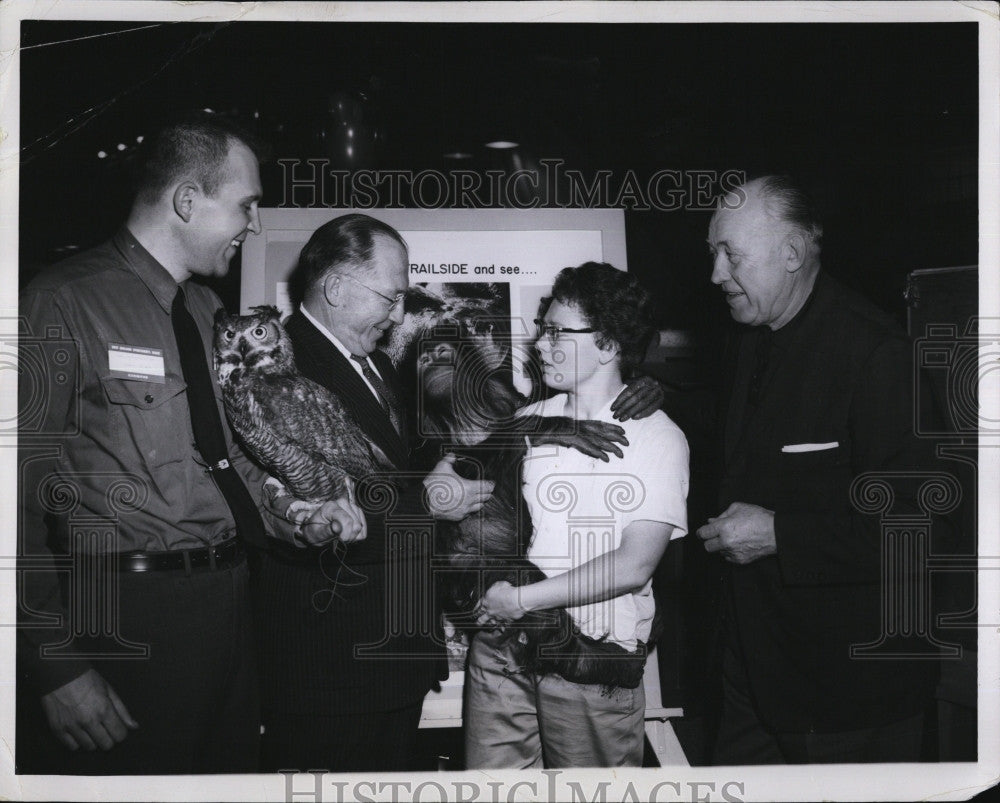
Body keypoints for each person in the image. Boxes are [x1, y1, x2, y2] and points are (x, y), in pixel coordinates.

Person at [14, 113, 358, 774]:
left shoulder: (205, 314)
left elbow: (232, 462)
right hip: (125, 619)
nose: (253, 225)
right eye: (247, 205)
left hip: (228, 608)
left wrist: (296, 514)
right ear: (187, 201)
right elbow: (9, 503)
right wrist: (53, 665)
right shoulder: (60, 303)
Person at [696, 174, 941, 764]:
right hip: (752, 680)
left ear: (793, 253)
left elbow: (925, 529)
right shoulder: (750, 341)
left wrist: (780, 533)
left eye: (731, 254)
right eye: (712, 254)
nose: (715, 275)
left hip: (846, 701)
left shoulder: (878, 356)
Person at [470, 262, 690, 768]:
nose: (539, 344)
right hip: (504, 650)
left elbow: (635, 565)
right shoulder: (526, 421)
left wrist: (521, 599)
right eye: (542, 330)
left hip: (591, 658)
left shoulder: (657, 437)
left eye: (555, 332)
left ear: (608, 344)